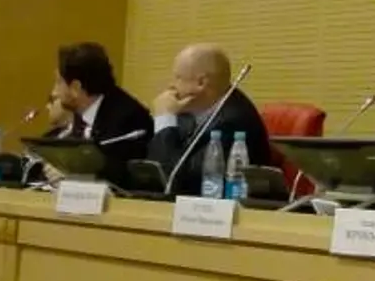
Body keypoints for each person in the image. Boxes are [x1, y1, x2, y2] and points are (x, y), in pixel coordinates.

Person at [147, 44, 269, 195]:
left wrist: (165, 118)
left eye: (178, 78)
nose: (171, 86)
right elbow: (153, 173)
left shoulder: (233, 122)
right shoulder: (187, 114)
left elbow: (174, 180)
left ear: (201, 83)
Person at [45, 42, 151, 181]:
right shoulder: (81, 115)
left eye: (58, 82)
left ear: (76, 87)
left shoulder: (129, 118)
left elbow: (122, 173)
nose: (54, 92)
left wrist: (73, 173)